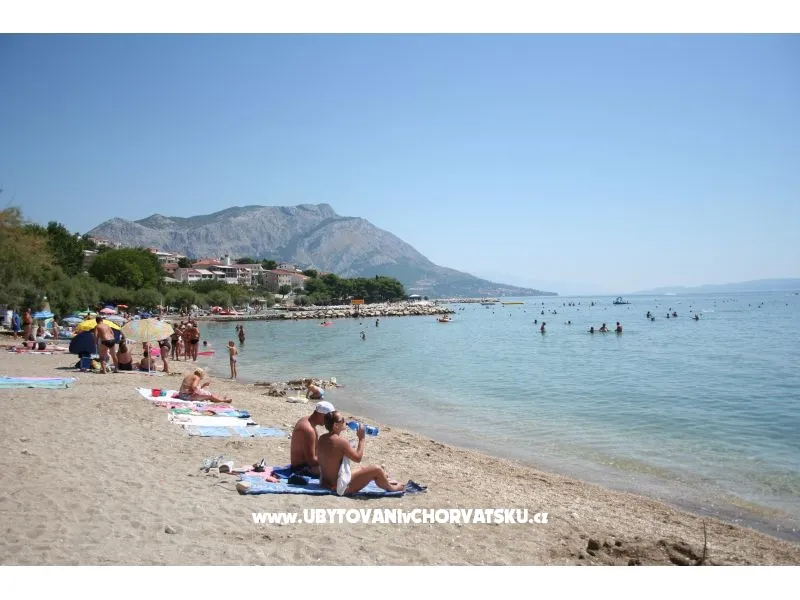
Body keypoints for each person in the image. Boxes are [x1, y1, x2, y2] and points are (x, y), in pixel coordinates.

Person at [317, 410, 404, 495]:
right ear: (336, 425)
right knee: (377, 469)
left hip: (325, 483)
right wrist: (361, 439)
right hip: (338, 487)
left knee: (362, 469)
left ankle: (383, 478)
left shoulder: (322, 438)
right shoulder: (341, 442)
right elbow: (358, 458)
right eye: (342, 420)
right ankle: (392, 488)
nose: (345, 421)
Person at [289, 400, 335, 476]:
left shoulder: (306, 420)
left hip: (304, 465)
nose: (329, 421)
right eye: (328, 417)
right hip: (301, 468)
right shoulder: (308, 430)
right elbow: (312, 461)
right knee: (336, 470)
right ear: (320, 414)